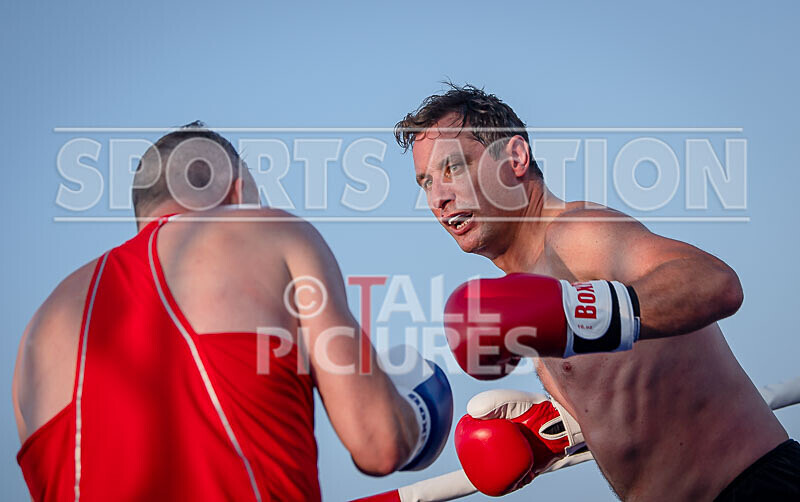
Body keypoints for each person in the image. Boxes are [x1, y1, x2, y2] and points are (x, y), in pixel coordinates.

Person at [395, 85, 800, 500]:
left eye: (454, 169)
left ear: (515, 158)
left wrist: (570, 313)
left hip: (755, 486)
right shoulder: (529, 289)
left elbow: (717, 282)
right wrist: (557, 430)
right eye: (425, 182)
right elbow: (633, 389)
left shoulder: (575, 233)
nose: (437, 198)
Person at [12, 122, 453, 501]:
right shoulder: (269, 232)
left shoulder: (39, 331)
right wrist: (419, 409)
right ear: (237, 191)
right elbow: (378, 442)